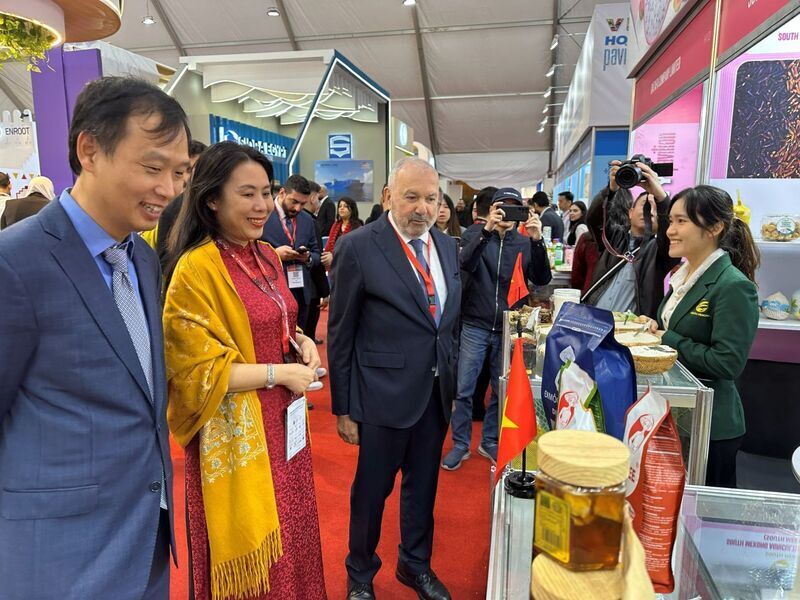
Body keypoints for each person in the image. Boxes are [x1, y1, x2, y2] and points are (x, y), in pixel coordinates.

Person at [0, 76, 188, 598]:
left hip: (146, 537)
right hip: (57, 556)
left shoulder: (142, 256)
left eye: (179, 173)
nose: (169, 190)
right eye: (152, 167)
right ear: (89, 150)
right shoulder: (15, 262)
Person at [163, 141, 326, 599]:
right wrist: (280, 374)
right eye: (247, 194)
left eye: (266, 193)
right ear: (212, 199)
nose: (261, 206)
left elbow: (278, 321)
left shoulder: (267, 255)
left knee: (291, 537)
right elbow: (194, 371)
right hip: (239, 436)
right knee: (256, 556)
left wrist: (302, 342)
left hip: (285, 427)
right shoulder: (196, 269)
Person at [329, 157, 461, 600]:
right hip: (380, 396)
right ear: (388, 197)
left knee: (423, 489)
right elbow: (341, 332)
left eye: (431, 199)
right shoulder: (359, 247)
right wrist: (344, 407)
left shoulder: (447, 247)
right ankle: (360, 573)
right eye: (411, 197)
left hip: (434, 394)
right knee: (371, 494)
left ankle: (415, 564)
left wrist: (453, 384)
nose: (422, 208)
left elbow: (448, 325)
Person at [651, 185, 760, 488]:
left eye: (681, 221)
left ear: (714, 228)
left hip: (711, 427)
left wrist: (666, 338)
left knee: (702, 512)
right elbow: (677, 328)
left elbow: (727, 363)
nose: (670, 230)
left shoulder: (733, 285)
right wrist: (654, 328)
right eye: (670, 221)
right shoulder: (684, 276)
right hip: (679, 415)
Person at [442, 188, 551, 470]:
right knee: (464, 389)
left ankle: (489, 439)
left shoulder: (525, 243)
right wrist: (487, 230)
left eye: (514, 208)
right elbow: (463, 265)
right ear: (491, 209)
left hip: (509, 327)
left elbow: (541, 279)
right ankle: (461, 443)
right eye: (502, 207)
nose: (507, 213)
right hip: (474, 324)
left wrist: (537, 240)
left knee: (500, 389)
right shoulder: (475, 235)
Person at [583, 160, 680, 318]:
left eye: (656, 209)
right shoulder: (614, 239)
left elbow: (668, 234)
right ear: (630, 212)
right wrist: (611, 190)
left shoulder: (660, 251)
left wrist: (660, 195)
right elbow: (594, 220)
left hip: (631, 329)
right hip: (593, 320)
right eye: (645, 205)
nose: (650, 212)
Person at [261, 174, 321, 330]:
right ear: (282, 193)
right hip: (271, 292)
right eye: (294, 202)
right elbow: (247, 251)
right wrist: (275, 254)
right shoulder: (262, 216)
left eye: (303, 203)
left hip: (301, 293)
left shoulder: (307, 220)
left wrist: (308, 258)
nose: (297, 208)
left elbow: (316, 253)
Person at [153, 139, 207, 269]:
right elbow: (164, 261)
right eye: (186, 170)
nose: (192, 176)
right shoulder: (172, 209)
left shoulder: (223, 204)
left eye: (198, 169)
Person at [304, 180, 330, 345]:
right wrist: (324, 290)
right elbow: (317, 258)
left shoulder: (300, 220)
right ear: (313, 198)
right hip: (311, 283)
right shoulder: (310, 222)